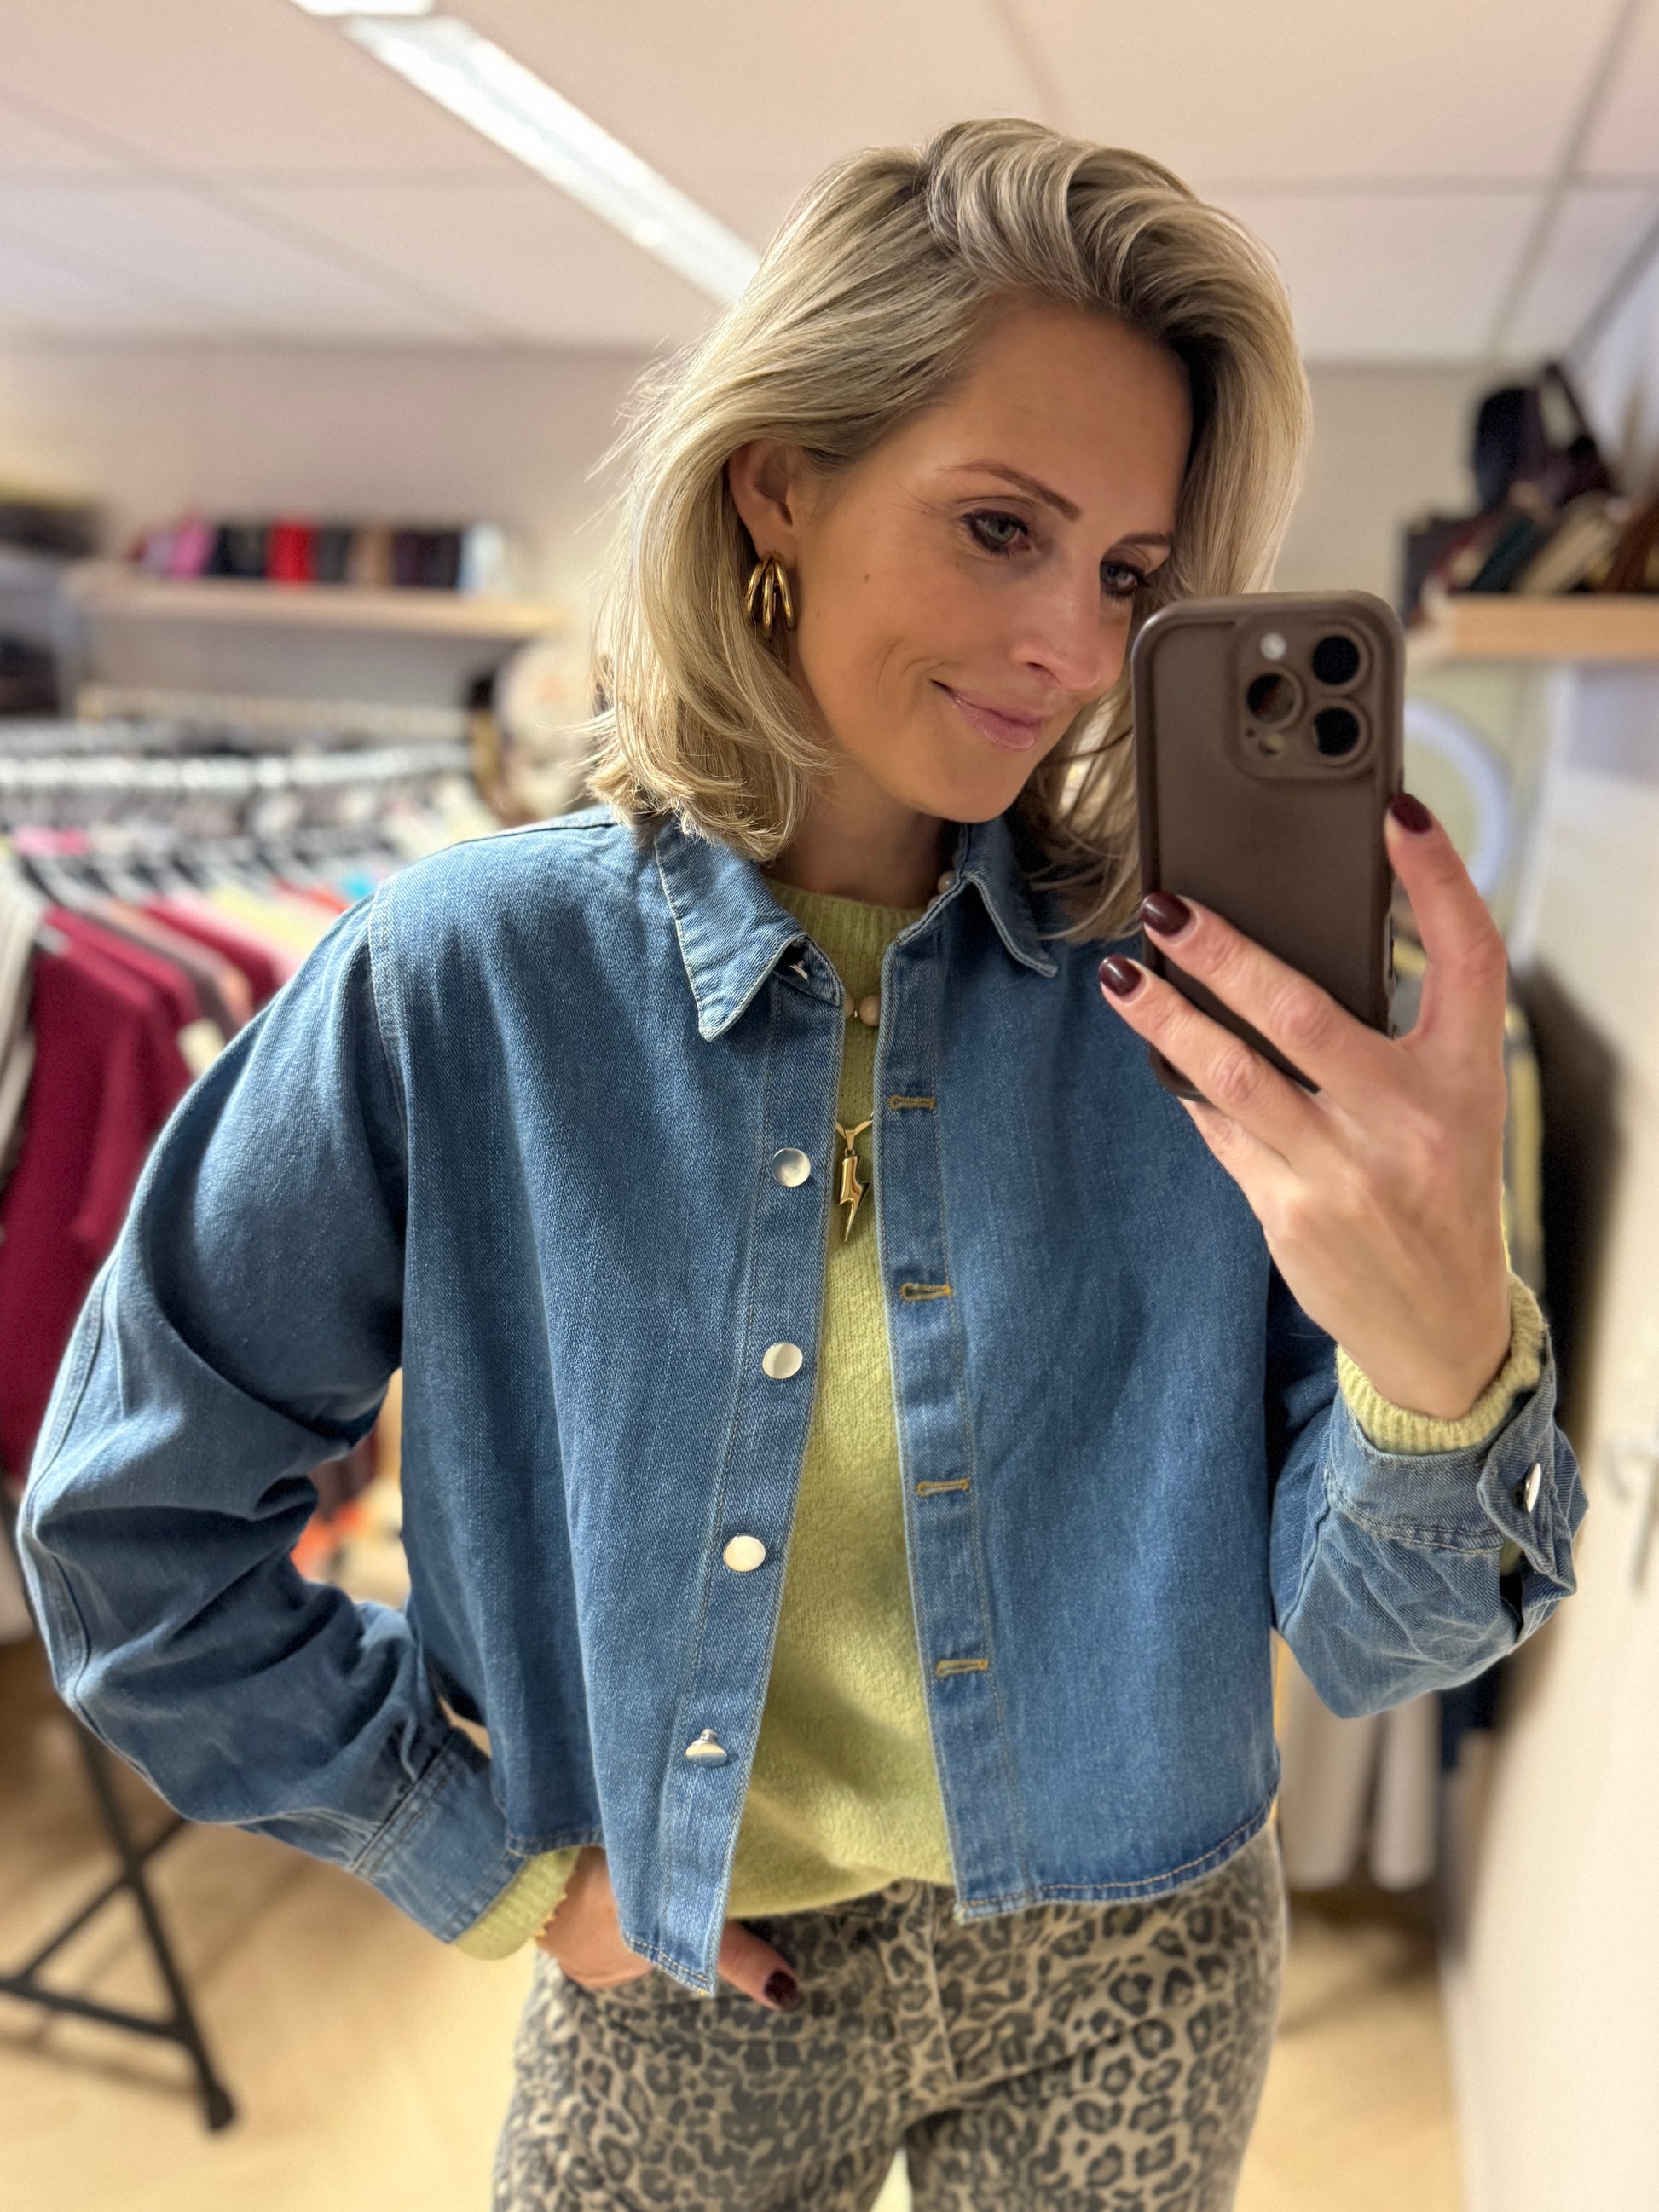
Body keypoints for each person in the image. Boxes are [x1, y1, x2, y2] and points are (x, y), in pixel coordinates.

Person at [17, 120, 1584, 2211]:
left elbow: (1385, 1643)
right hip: (684, 1970)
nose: (1071, 647)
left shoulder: (1196, 1006)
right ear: (780, 481)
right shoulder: (462, 980)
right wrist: (471, 1851)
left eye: (1129, 576)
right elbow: (128, 1529)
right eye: (1000, 528)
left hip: (1140, 1960)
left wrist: (1437, 1360)